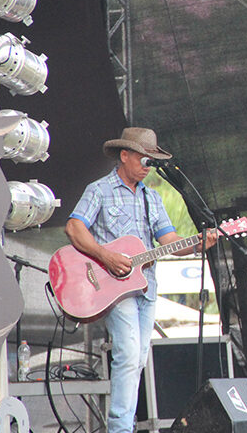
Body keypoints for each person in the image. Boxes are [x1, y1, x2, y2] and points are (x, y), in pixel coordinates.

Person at [65, 127, 217, 433]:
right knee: (129, 355)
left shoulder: (153, 197)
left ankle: (124, 424)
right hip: (112, 288)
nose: (148, 166)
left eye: (152, 161)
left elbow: (169, 240)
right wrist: (105, 256)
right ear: (125, 155)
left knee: (137, 359)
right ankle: (121, 429)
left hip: (145, 288)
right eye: (144, 159)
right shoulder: (100, 190)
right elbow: (74, 228)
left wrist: (197, 242)